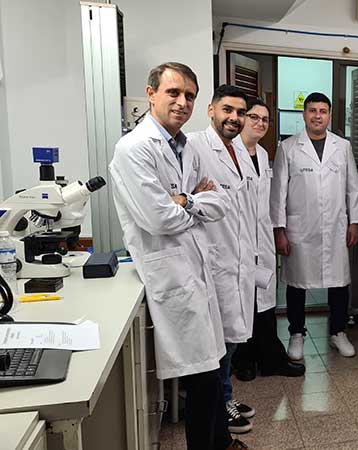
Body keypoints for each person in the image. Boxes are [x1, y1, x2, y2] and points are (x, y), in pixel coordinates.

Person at [109, 62, 247, 450]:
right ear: (151, 93)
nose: (182, 102)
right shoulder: (134, 149)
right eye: (173, 92)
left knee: (213, 368)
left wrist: (184, 200)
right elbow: (159, 219)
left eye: (189, 95)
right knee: (202, 379)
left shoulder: (186, 147)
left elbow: (220, 202)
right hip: (171, 275)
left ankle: (222, 442)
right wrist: (194, 201)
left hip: (197, 269)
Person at [271, 92, 358, 360]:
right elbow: (278, 192)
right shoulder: (288, 147)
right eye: (312, 110)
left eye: (323, 111)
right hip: (300, 228)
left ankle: (338, 331)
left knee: (338, 282)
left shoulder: (342, 146)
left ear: (329, 115)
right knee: (297, 283)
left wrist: (355, 222)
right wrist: (279, 230)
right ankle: (296, 333)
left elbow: (353, 187)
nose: (317, 116)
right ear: (304, 114)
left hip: (336, 226)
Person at [186, 85, 258, 434]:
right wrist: (191, 197)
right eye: (227, 110)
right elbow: (179, 198)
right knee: (218, 344)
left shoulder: (239, 150)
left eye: (240, 112)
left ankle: (225, 396)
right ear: (211, 110)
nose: (234, 118)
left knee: (230, 340)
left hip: (238, 257)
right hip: (214, 260)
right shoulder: (195, 146)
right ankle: (219, 406)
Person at [232, 97, 305, 380]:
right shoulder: (229, 152)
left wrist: (276, 231)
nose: (260, 123)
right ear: (242, 118)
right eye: (254, 117)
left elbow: (269, 201)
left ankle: (269, 358)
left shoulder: (262, 154)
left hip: (261, 240)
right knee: (243, 303)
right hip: (238, 241)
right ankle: (244, 360)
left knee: (264, 302)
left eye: (265, 119)